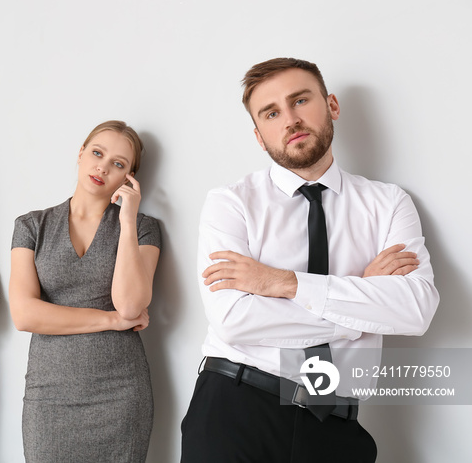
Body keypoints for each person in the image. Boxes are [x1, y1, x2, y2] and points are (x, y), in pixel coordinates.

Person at [180, 58, 439, 463]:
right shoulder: (230, 203)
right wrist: (361, 305)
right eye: (271, 112)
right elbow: (233, 319)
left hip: (337, 427)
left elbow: (416, 310)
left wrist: (284, 283)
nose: (290, 119)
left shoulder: (389, 204)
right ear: (259, 136)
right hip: (236, 410)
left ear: (332, 105)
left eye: (300, 100)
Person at [9, 120, 161, 462]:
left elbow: (131, 304)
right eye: (97, 153)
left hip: (120, 393)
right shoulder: (31, 226)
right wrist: (110, 320)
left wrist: (127, 218)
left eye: (118, 164)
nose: (103, 167)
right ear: (80, 153)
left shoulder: (143, 228)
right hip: (48, 394)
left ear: (129, 177)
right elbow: (24, 314)